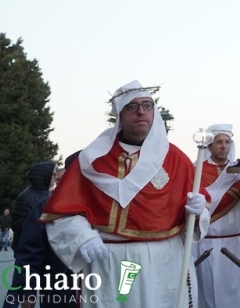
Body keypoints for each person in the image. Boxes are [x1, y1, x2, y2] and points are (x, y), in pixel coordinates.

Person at [41, 80, 210, 308]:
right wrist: (83, 237)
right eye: (132, 106)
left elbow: (198, 214)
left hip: (164, 263)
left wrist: (200, 212)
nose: (141, 112)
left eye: (147, 105)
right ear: (120, 114)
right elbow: (60, 213)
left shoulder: (176, 159)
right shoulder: (93, 159)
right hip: (109, 260)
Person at [194, 124, 240, 308]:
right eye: (219, 142)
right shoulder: (196, 171)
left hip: (236, 244)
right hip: (206, 244)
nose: (224, 146)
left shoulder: (238, 170)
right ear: (209, 145)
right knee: (208, 292)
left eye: (227, 142)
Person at [9, 151, 82, 308]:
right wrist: (28, 291)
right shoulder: (40, 203)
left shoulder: (111, 208)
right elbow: (30, 250)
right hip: (58, 285)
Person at [11, 161, 56, 253]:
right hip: (27, 249)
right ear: (44, 175)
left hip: (41, 246)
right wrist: (43, 223)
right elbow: (18, 224)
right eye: (53, 175)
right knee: (27, 268)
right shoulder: (26, 197)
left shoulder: (47, 194)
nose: (56, 178)